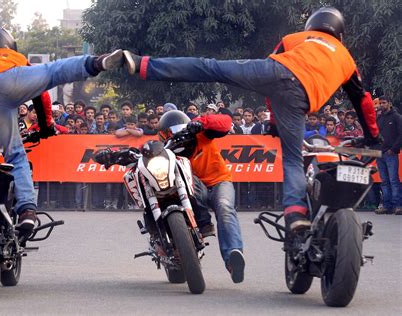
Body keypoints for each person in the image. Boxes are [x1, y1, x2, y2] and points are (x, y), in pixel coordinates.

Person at [123, 6, 381, 231]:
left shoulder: (295, 38)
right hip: (299, 98)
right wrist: (373, 138)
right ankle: (296, 215)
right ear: (340, 33)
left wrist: (272, 121)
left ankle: (144, 64)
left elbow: (275, 69)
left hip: (273, 72)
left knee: (211, 67)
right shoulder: (346, 57)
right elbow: (363, 101)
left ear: (311, 25)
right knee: (292, 160)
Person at [0, 25, 123, 235]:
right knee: (52, 71)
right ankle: (95, 62)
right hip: (12, 79)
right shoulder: (13, 56)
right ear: (7, 43)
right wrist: (46, 127)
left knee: (14, 154)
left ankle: (20, 210)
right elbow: (42, 95)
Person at [157, 110, 245, 283]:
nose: (177, 136)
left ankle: (233, 259)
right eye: (170, 133)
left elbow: (226, 122)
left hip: (219, 182)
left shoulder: (203, 133)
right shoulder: (164, 152)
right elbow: (143, 154)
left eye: (180, 130)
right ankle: (198, 227)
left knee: (225, 208)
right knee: (184, 180)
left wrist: (201, 122)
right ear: (163, 136)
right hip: (192, 188)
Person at [374, 96, 401, 215]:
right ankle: (387, 205)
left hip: (391, 153)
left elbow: (401, 135)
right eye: (380, 103)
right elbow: (375, 135)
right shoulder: (379, 118)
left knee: (393, 180)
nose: (381, 105)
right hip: (380, 153)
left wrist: (393, 149)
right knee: (384, 181)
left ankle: (398, 205)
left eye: (383, 103)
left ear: (389, 103)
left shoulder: (397, 117)